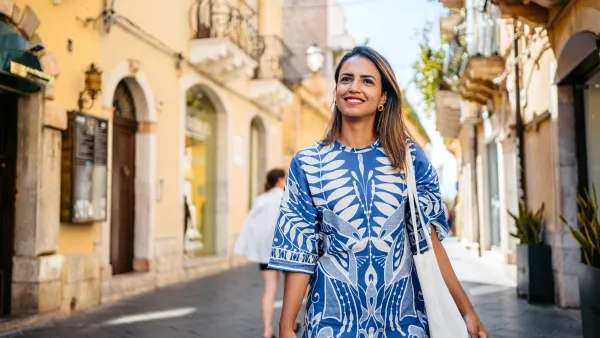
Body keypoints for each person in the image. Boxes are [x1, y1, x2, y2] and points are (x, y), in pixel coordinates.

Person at [267, 46, 487, 338]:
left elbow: (429, 244)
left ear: (383, 97)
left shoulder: (408, 159)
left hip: (403, 322)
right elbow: (300, 252)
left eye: (367, 81)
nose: (354, 87)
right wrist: (286, 326)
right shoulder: (307, 164)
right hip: (330, 324)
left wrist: (467, 311)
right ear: (336, 90)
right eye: (346, 79)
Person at [234, 169, 287, 338]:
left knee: (270, 289)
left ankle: (267, 331)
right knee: (292, 289)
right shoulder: (287, 195)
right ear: (279, 179)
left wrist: (242, 247)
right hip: (286, 248)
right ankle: (289, 325)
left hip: (265, 251)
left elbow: (249, 224)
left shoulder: (260, 199)